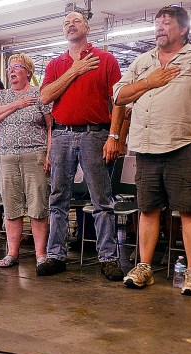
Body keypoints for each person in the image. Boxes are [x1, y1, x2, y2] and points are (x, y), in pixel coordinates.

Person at [114, 5, 191, 295]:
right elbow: (119, 95)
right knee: (147, 210)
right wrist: (149, 82)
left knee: (190, 211)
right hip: (146, 148)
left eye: (167, 23)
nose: (160, 28)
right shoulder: (142, 62)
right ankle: (145, 268)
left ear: (184, 29)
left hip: (185, 146)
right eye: (158, 24)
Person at [36, 11, 125, 281]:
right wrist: (74, 71)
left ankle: (109, 257)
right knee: (58, 198)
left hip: (95, 134)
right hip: (62, 134)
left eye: (76, 21)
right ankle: (56, 255)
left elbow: (120, 102)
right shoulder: (56, 64)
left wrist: (114, 136)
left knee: (102, 199)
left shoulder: (106, 60)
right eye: (66, 23)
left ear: (87, 27)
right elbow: (45, 97)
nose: (70, 25)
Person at [0, 53, 52, 267]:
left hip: (35, 154)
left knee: (37, 206)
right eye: (10, 68)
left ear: (28, 72)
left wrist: (49, 154)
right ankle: (12, 253)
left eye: (17, 67)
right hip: (5, 156)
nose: (12, 71)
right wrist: (17, 104)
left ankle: (41, 254)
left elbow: (51, 127)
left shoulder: (40, 93)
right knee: (11, 207)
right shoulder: (1, 96)